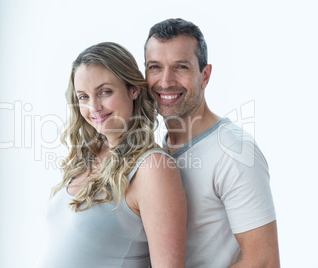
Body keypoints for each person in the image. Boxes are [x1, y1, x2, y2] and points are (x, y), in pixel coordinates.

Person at [34, 42, 187, 268]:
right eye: (83, 97)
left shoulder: (153, 168)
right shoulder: (85, 158)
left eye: (104, 92)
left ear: (133, 89)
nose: (94, 107)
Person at [144, 18, 280, 267]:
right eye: (154, 67)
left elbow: (264, 262)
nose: (165, 81)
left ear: (204, 76)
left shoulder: (233, 150)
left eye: (180, 67)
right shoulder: (157, 152)